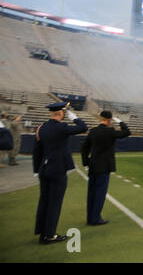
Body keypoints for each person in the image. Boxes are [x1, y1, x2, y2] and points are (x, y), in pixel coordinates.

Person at [33, 102, 88, 244]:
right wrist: (74, 118)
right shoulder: (62, 127)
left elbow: (37, 150)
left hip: (43, 169)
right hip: (57, 169)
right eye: (64, 113)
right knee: (54, 203)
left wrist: (36, 169)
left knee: (44, 201)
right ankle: (49, 235)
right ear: (60, 113)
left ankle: (42, 232)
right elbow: (83, 127)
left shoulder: (41, 128)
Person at [81, 111, 130, 226]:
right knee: (100, 193)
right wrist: (121, 122)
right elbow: (127, 132)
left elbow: (84, 149)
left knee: (92, 193)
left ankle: (90, 217)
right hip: (104, 167)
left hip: (93, 165)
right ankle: (96, 218)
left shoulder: (93, 131)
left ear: (100, 118)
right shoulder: (110, 131)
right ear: (109, 120)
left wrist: (86, 163)